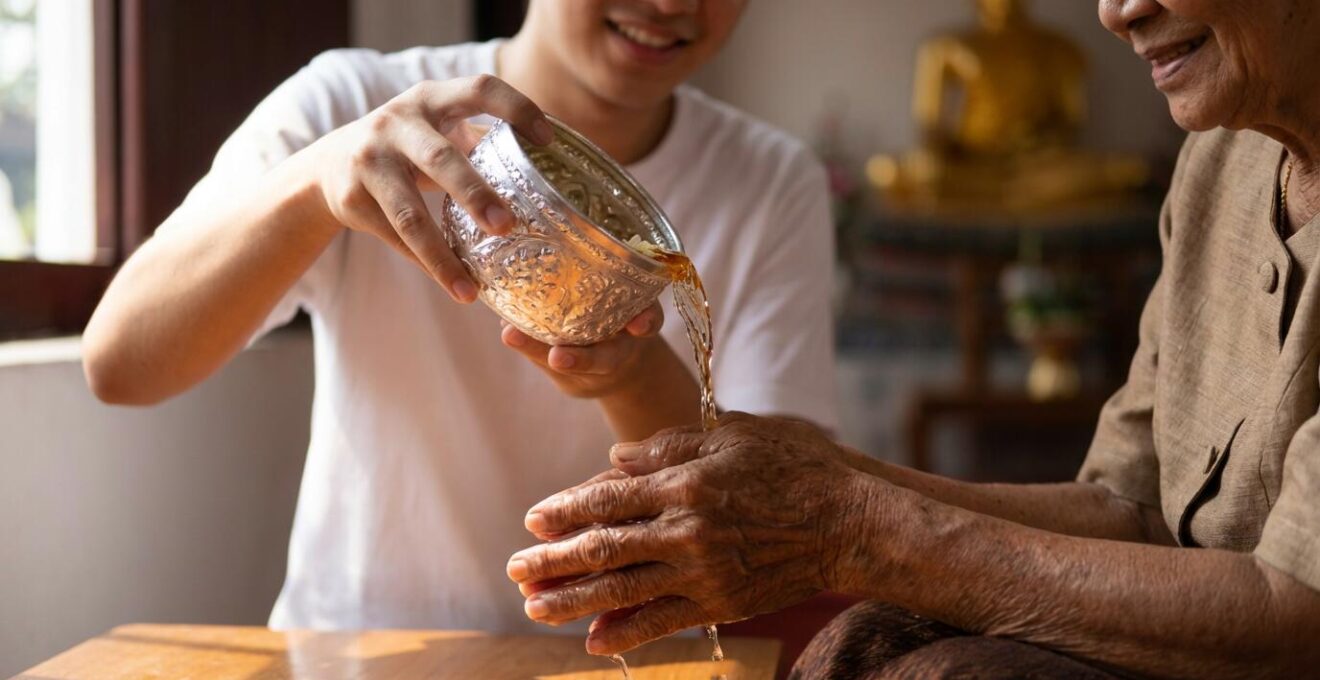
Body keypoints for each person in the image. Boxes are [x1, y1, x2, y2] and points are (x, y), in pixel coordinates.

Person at [508, 0, 1320, 675]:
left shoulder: (766, 170)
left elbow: (1298, 612)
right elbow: (1131, 508)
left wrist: (848, 528)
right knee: (865, 643)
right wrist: (816, 480)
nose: (1116, 12)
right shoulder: (1221, 159)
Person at [82, 0, 839, 634]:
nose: (675, 4)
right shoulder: (354, 103)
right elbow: (120, 362)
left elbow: (788, 515)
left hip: (616, 658)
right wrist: (313, 188)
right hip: (354, 654)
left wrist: (631, 371)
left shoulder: (770, 181)